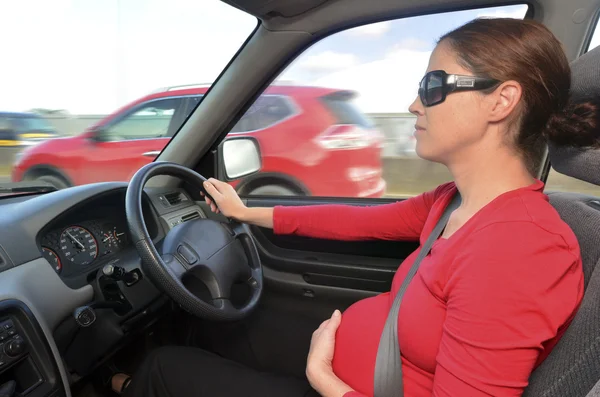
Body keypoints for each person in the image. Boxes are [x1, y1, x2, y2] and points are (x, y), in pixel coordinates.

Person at [111, 17, 600, 396]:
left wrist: (327, 380)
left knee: (163, 369)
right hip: (355, 374)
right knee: (197, 348)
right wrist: (245, 213)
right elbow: (357, 219)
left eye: (432, 86)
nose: (414, 105)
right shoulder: (455, 204)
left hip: (339, 387)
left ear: (501, 101)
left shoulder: (518, 249)